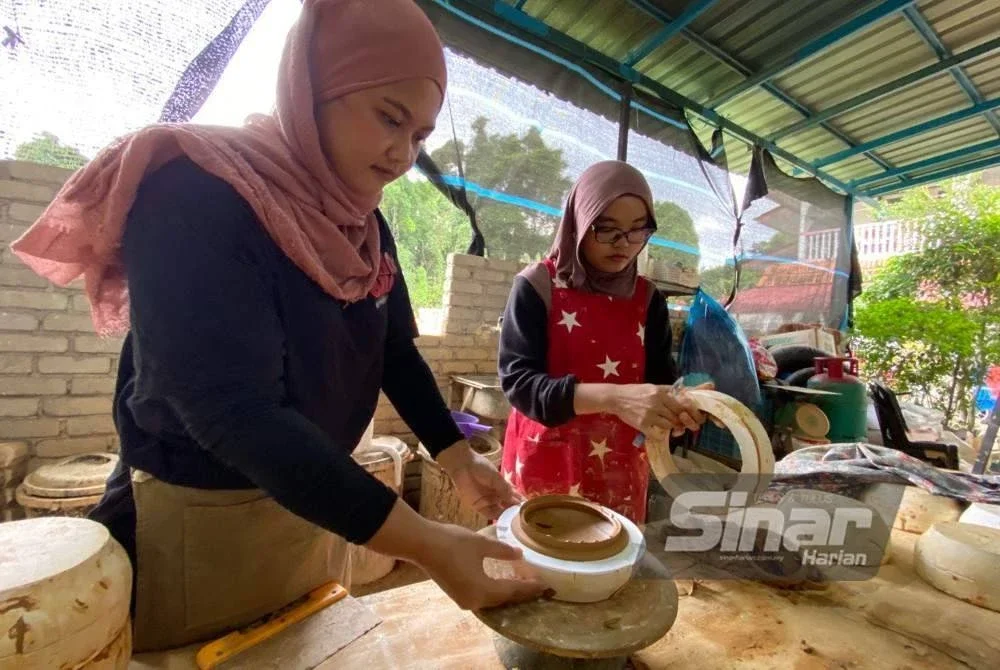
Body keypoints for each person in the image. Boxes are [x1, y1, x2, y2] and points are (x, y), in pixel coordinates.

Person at [11, 0, 542, 653]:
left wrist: (457, 458)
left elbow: (392, 353)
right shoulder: (195, 194)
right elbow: (233, 413)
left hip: (317, 496)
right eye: (389, 117)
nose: (403, 154)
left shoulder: (362, 225)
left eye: (421, 136)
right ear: (314, 88)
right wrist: (430, 545)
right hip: (199, 517)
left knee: (296, 645)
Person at [498, 161, 708, 524]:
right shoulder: (538, 285)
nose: (623, 243)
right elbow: (520, 384)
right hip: (548, 464)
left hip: (620, 471)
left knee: (613, 553)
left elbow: (660, 382)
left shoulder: (648, 300)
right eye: (606, 228)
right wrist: (615, 398)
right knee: (539, 555)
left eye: (637, 230)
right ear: (579, 222)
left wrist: (679, 409)